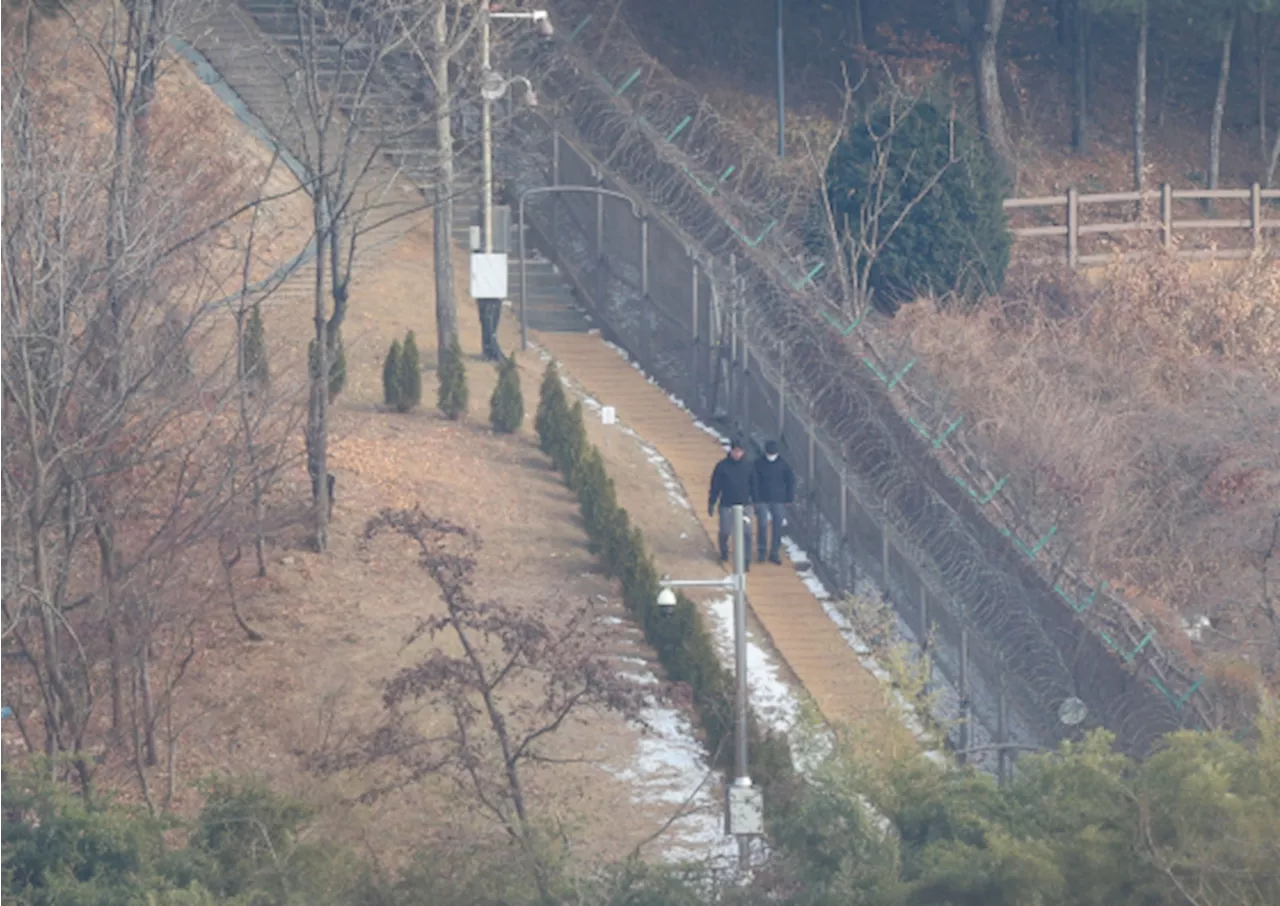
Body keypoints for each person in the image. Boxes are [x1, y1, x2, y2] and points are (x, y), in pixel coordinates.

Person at [708, 436, 756, 569]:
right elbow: (715, 486)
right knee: (725, 531)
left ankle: (746, 560)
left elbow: (754, 485)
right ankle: (724, 551)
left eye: (740, 451)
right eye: (735, 451)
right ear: (731, 451)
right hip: (727, 504)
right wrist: (711, 502)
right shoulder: (722, 466)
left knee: (747, 533)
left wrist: (755, 502)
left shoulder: (749, 466)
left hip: (745, 504)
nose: (737, 454)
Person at [754, 440, 795, 564]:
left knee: (777, 526)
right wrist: (755, 498)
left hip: (779, 499)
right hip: (762, 499)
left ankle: (775, 552)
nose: (771, 455)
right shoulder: (758, 463)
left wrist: (789, 498)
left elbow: (790, 482)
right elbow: (754, 481)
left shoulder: (784, 465)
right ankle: (762, 550)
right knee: (762, 524)